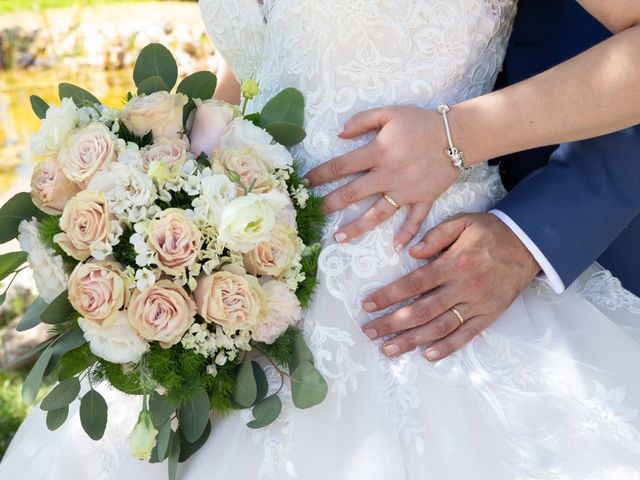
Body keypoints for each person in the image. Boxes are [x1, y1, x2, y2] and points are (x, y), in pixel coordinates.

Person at [2, 1, 640, 479]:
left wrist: (461, 136)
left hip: (418, 292)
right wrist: (160, 201)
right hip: (244, 295)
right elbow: (264, 64)